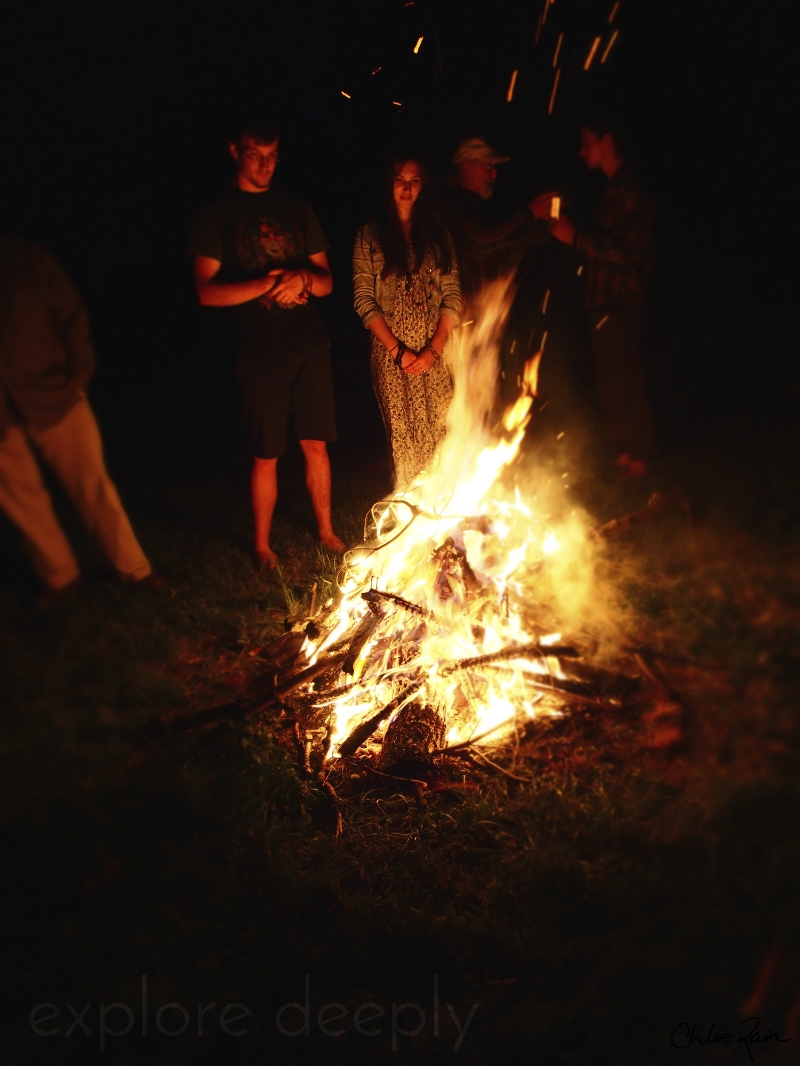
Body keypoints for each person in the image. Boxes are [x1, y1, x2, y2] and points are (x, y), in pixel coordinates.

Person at [189, 117, 346, 568]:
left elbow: (327, 281)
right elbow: (205, 290)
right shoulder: (217, 214)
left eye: (273, 155)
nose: (266, 164)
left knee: (316, 441)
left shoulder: (296, 206)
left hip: (310, 342)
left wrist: (299, 276)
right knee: (266, 452)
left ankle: (327, 531)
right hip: (258, 347)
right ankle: (262, 545)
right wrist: (267, 282)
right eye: (256, 155)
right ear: (235, 151)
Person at [0, 235, 154, 595]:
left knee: (92, 484)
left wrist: (77, 376)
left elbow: (69, 313)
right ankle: (61, 578)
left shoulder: (26, 258)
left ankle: (136, 570)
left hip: (52, 390)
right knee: (22, 500)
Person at [542, 113, 656, 476]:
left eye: (586, 141)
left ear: (606, 141)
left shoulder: (631, 190)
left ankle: (639, 456)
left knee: (624, 378)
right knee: (610, 381)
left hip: (622, 301)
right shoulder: (610, 190)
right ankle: (625, 452)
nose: (581, 151)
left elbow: (621, 248)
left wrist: (575, 236)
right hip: (603, 301)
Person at [353, 156, 461, 490]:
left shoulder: (437, 233)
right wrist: (398, 352)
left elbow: (452, 296)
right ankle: (411, 515)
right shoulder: (370, 235)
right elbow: (364, 301)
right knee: (404, 438)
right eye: (400, 179)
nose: (406, 187)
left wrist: (433, 349)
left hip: (435, 348)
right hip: (391, 353)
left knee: (444, 432)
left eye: (414, 180)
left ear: (422, 186)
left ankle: (447, 511)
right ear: (389, 184)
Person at [445, 136, 550, 316]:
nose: (494, 174)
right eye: (488, 167)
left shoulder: (487, 208)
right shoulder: (451, 207)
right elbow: (482, 242)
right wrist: (530, 213)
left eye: (495, 168)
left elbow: (508, 245)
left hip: (489, 314)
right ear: (467, 167)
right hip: (460, 317)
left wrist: (545, 227)